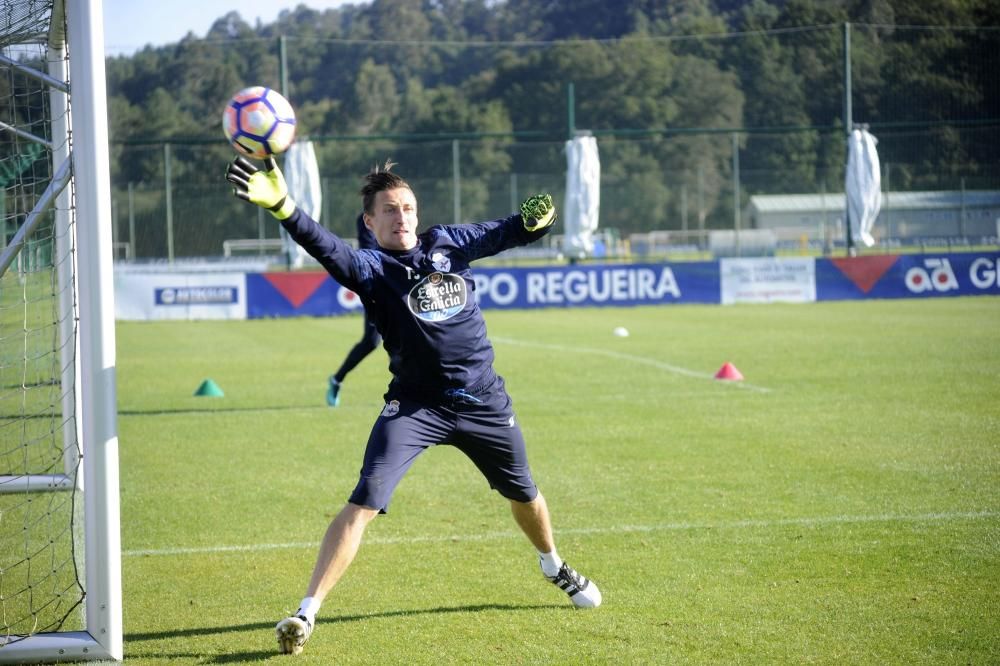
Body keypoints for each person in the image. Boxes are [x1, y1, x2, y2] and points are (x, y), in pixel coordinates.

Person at [225, 156, 602, 656]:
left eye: (407, 208)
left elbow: (509, 230)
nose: (401, 217)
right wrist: (285, 207)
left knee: (525, 493)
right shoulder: (372, 268)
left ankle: (553, 565)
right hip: (415, 408)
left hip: (484, 401)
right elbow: (329, 250)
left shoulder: (448, 243)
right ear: (370, 221)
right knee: (364, 500)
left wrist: (537, 222)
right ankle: (306, 612)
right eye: (389, 210)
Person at [326, 213, 382, 407]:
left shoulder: (401, 214)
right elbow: (367, 252)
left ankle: (407, 395)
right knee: (371, 342)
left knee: (404, 343)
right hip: (378, 290)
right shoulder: (367, 218)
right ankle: (336, 379)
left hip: (400, 286)